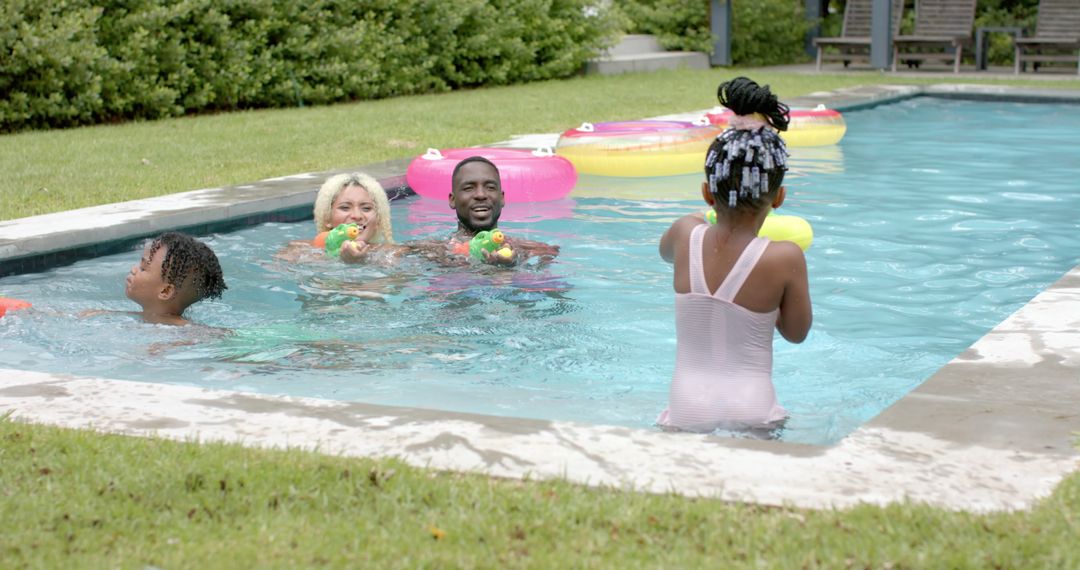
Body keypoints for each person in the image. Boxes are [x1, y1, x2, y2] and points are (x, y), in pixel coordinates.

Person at [656, 76, 812, 434]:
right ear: (779, 198)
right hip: (753, 403)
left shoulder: (684, 234)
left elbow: (665, 254)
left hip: (686, 404)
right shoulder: (783, 257)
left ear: (707, 194)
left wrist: (700, 216)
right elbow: (796, 332)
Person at [414, 156, 559, 267]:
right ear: (452, 200)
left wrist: (512, 268)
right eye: (469, 188)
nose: (481, 195)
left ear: (502, 198)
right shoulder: (434, 250)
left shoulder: (532, 250)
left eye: (490, 187)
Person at [277, 172, 399, 263]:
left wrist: (361, 262)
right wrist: (336, 259)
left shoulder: (393, 253)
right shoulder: (298, 249)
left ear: (378, 220)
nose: (357, 216)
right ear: (327, 217)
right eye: (345, 208)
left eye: (366, 208)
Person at [124, 232, 228, 325]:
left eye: (143, 268)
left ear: (165, 291)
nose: (133, 269)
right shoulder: (140, 317)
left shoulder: (186, 330)